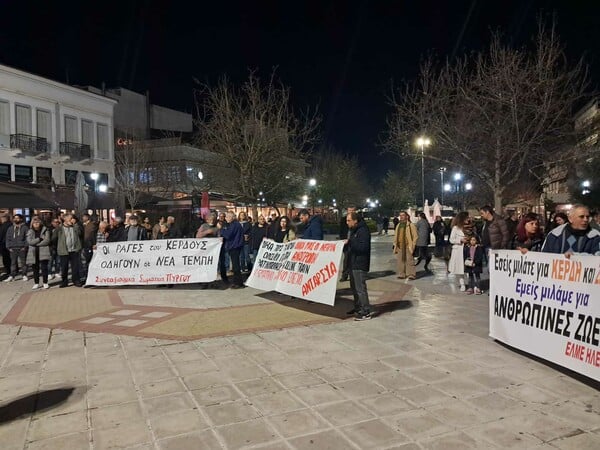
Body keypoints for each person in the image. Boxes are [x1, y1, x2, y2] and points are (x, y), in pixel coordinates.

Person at [345, 211, 373, 321]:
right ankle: (358, 307)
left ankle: (366, 311)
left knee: (360, 288)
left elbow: (363, 248)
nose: (347, 222)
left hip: (360, 263)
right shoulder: (353, 230)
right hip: (353, 262)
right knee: (354, 288)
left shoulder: (363, 231)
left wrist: (351, 242)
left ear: (355, 221)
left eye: (349, 220)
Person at [217, 211, 245, 289]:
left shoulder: (234, 224)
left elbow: (228, 235)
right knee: (235, 264)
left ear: (232, 217)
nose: (226, 218)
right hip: (235, 246)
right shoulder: (235, 224)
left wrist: (221, 229)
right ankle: (237, 281)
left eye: (227, 217)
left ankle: (239, 283)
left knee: (236, 265)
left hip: (234, 246)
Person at [56, 213, 83, 287]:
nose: (72, 220)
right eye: (70, 218)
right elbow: (54, 238)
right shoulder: (60, 228)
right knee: (64, 267)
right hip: (64, 250)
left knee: (75, 267)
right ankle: (64, 281)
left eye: (72, 218)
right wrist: (58, 247)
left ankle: (76, 280)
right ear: (65, 219)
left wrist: (75, 225)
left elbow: (80, 233)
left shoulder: (74, 226)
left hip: (74, 249)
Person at [26, 217, 51, 290]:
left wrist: (36, 244)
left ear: (40, 223)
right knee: (35, 269)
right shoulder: (30, 231)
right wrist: (39, 239)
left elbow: (47, 240)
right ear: (32, 224)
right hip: (33, 253)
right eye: (34, 223)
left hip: (43, 251)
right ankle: (36, 283)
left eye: (37, 222)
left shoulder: (45, 230)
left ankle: (45, 282)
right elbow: (30, 242)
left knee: (44, 268)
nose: (36, 224)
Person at [196, 213, 219, 289]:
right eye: (210, 219)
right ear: (207, 219)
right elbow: (198, 236)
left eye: (213, 219)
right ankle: (204, 282)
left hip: (213, 250)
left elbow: (219, 237)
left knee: (213, 266)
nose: (212, 221)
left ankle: (212, 282)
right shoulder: (203, 226)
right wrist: (206, 232)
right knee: (204, 266)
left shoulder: (216, 227)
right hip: (204, 250)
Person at [448, 211, 470, 291]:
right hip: (458, 250)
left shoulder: (470, 227)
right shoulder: (455, 228)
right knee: (459, 269)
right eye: (467, 218)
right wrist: (460, 240)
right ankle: (462, 284)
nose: (468, 219)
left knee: (468, 266)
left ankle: (471, 283)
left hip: (467, 249)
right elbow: (451, 239)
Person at [4, 214, 29, 282]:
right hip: (12, 248)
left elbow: (27, 238)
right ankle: (12, 275)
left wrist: (25, 246)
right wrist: (8, 247)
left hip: (22, 248)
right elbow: (7, 238)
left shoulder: (25, 228)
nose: (16, 219)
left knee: (23, 263)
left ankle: (24, 275)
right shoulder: (10, 228)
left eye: (17, 218)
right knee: (13, 263)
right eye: (15, 218)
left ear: (21, 219)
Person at [393, 211, 417, 280]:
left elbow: (415, 236)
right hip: (400, 246)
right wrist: (395, 244)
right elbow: (396, 235)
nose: (401, 217)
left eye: (403, 215)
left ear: (407, 216)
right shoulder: (398, 225)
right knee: (400, 261)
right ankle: (401, 274)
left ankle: (411, 274)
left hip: (408, 246)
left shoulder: (410, 225)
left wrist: (413, 245)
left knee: (409, 261)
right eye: (400, 215)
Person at [339, 207, 357, 282]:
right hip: (346, 242)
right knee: (346, 259)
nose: (351, 212)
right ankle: (345, 275)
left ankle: (353, 274)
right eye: (350, 210)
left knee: (354, 259)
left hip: (354, 242)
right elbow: (341, 231)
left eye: (353, 210)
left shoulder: (358, 219)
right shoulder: (343, 220)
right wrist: (343, 240)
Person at [0, 213, 12, 279]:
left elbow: (0, 236)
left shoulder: (3, 226)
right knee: (11, 258)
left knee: (6, 259)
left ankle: (9, 271)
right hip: (11, 244)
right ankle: (13, 270)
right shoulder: (12, 224)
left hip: (4, 245)